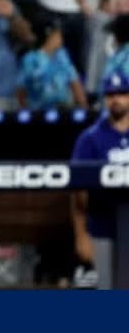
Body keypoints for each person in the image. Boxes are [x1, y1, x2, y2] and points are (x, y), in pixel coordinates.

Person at [71, 68, 129, 290]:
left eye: (122, 93)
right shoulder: (89, 139)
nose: (116, 99)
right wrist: (81, 235)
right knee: (105, 291)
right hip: (101, 228)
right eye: (111, 94)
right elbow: (77, 192)